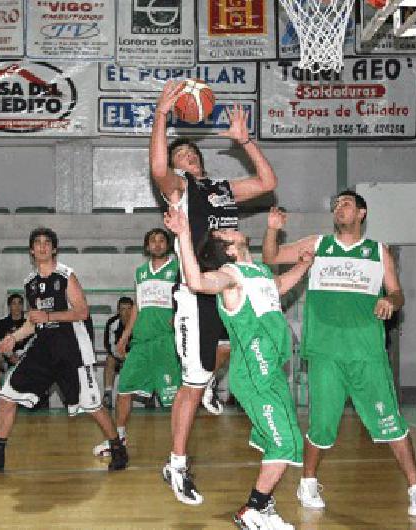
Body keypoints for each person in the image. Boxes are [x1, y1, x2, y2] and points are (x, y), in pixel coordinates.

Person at [261, 191, 416, 517]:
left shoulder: (377, 251)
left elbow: (397, 292)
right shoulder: (318, 244)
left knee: (391, 423)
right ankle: (307, 482)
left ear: (362, 213)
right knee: (321, 425)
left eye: (347, 204)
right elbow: (271, 258)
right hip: (325, 351)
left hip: (367, 352)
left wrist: (390, 302)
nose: (339, 208)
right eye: (336, 204)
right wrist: (271, 229)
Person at [150, 80, 278, 505]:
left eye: (189, 154)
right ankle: (178, 464)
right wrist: (162, 116)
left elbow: (266, 180)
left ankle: (207, 385)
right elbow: (156, 170)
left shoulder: (221, 188)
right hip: (197, 287)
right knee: (192, 379)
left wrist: (246, 142)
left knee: (228, 353)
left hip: (231, 282)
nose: (184, 159)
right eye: (178, 156)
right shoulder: (180, 189)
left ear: (200, 160)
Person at [164, 206, 311, 529]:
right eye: (227, 233)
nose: (233, 229)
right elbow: (197, 281)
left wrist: (303, 264)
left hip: (271, 372)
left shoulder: (257, 273)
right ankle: (253, 510)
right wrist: (184, 235)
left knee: (283, 441)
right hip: (256, 375)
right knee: (286, 443)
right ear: (229, 249)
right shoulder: (231, 277)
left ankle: (266, 507)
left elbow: (281, 285)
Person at [0, 227, 127, 472]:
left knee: (92, 404)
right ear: (31, 250)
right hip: (43, 347)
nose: (42, 246)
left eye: (47, 242)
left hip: (72, 347)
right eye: (37, 243)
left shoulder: (66, 275)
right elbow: (34, 321)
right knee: (7, 395)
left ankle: (118, 448)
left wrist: (49, 315)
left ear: (54, 248)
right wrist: (13, 338)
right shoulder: (30, 283)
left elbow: (82, 311)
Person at [93, 228, 182, 459]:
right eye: (153, 240)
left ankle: (179, 449)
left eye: (162, 240)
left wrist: (179, 315)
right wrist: (124, 337)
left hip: (166, 341)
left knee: (174, 398)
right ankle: (119, 437)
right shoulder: (140, 272)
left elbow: (188, 298)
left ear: (168, 245)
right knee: (125, 389)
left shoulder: (177, 269)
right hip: (141, 342)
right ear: (147, 247)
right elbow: (137, 307)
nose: (158, 244)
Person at [0, 293, 27, 408]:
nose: (17, 306)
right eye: (14, 303)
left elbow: (32, 345)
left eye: (19, 303)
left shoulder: (28, 324)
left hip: (24, 358)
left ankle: (29, 399)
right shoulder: (1, 324)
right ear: (9, 306)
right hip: (7, 358)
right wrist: (10, 355)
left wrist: (20, 356)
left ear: (23, 306)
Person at [101, 297, 134, 409]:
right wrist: (121, 356)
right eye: (123, 309)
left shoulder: (140, 322)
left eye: (129, 309)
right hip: (119, 356)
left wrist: (131, 357)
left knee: (150, 360)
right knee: (110, 359)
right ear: (118, 311)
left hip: (136, 358)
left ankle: (149, 396)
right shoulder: (112, 323)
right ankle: (107, 394)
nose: (126, 312)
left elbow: (144, 344)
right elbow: (108, 345)